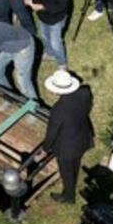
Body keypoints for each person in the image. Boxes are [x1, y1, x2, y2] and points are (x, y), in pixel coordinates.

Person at [40, 70, 94, 204]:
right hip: (82, 137)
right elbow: (88, 108)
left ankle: (69, 196)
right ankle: (72, 184)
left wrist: (45, 148)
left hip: (67, 147)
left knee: (67, 173)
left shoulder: (59, 109)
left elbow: (52, 133)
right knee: (75, 163)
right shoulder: (84, 92)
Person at [26, 0, 70, 68]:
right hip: (43, 16)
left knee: (56, 43)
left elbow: (60, 6)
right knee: (44, 36)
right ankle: (50, 54)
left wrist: (42, 7)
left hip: (55, 18)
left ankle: (62, 63)